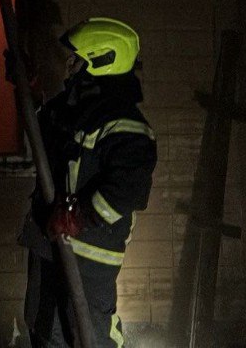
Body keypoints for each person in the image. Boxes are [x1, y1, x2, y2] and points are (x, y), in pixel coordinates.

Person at [19, 17, 157, 347]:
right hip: (48, 244)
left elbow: (127, 190)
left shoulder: (127, 125)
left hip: (90, 254)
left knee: (87, 335)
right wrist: (28, 90)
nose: (70, 68)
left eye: (76, 60)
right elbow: (42, 132)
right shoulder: (74, 109)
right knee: (43, 328)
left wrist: (77, 216)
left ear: (101, 60)